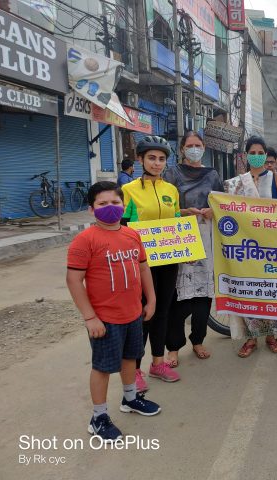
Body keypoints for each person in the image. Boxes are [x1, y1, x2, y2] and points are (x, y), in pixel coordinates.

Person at [66, 181, 160, 441]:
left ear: (124, 205)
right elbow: (74, 280)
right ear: (91, 209)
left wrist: (151, 299)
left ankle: (130, 399)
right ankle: (98, 417)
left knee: (130, 358)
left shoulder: (132, 235)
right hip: (105, 320)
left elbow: (143, 268)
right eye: (102, 204)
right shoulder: (85, 240)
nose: (110, 208)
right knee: (103, 367)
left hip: (133, 314)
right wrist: (89, 317)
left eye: (115, 203)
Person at [121, 135, 181, 390]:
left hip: (168, 260)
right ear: (140, 160)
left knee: (163, 310)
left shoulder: (171, 190)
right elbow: (122, 228)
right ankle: (135, 369)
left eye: (161, 159)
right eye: (152, 158)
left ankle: (158, 363)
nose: (157, 163)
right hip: (141, 264)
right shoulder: (128, 190)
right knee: (143, 312)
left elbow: (177, 223)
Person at [227, 136, 277, 358]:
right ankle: (250, 339)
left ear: (266, 155)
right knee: (248, 292)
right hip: (245, 249)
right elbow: (228, 212)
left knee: (272, 292)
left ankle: (272, 336)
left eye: (260, 152)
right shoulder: (236, 183)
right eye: (252, 152)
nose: (256, 156)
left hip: (272, 248)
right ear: (246, 155)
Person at [163, 132, 224, 367]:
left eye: (198, 145)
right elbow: (166, 207)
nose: (194, 149)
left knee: (203, 297)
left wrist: (212, 210)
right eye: (190, 146)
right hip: (180, 237)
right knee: (178, 298)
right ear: (181, 149)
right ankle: (174, 347)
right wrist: (182, 212)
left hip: (207, 237)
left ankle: (198, 341)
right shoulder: (170, 174)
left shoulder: (212, 175)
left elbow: (221, 202)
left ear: (204, 148)